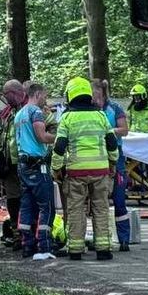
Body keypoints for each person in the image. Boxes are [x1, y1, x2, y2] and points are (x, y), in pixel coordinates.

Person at [52, 77, 118, 261]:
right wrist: (112, 163)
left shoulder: (67, 118)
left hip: (76, 173)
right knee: (101, 208)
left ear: (70, 95)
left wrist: (56, 168)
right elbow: (112, 143)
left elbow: (59, 147)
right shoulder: (100, 116)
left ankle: (75, 249)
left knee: (76, 210)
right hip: (100, 171)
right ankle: (103, 249)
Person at [15, 82, 56, 259]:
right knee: (46, 206)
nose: (45, 99)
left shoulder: (19, 113)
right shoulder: (35, 112)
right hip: (38, 165)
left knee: (26, 206)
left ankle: (27, 244)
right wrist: (60, 137)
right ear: (37, 94)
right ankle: (45, 245)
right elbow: (41, 136)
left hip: (23, 165)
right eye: (45, 96)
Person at [92, 78, 133, 250]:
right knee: (97, 200)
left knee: (119, 198)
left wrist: (107, 131)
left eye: (93, 92)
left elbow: (124, 129)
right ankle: (99, 238)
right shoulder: (89, 109)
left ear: (100, 92)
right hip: (96, 156)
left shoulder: (114, 108)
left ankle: (124, 239)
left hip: (116, 156)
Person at [0, 79, 25, 248]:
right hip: (9, 164)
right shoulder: (7, 113)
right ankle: (16, 233)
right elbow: (1, 137)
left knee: (28, 198)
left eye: (6, 95)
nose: (4, 98)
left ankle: (29, 233)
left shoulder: (32, 109)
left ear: (14, 93)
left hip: (28, 162)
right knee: (13, 199)